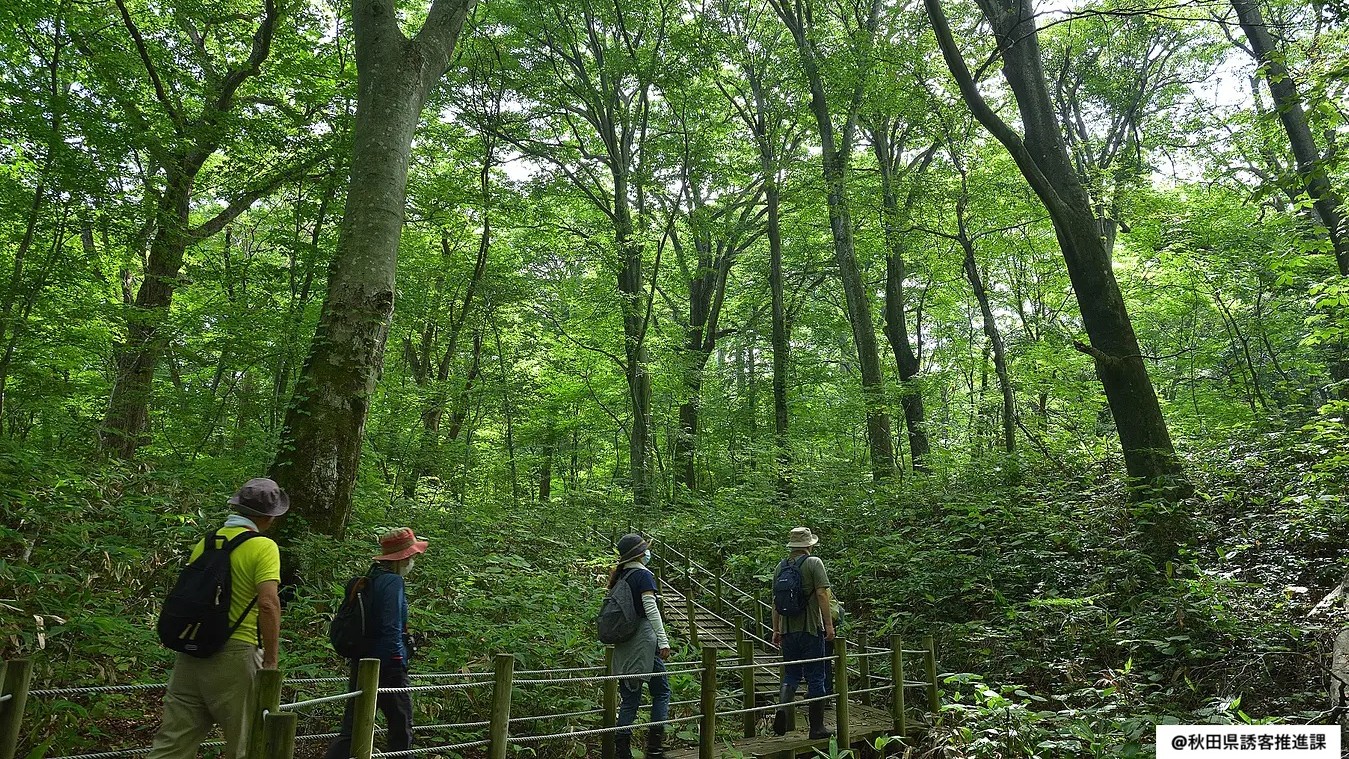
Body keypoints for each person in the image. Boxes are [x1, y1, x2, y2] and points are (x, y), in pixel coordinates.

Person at [147, 478, 287, 759]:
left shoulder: (207, 542)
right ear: (268, 517)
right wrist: (271, 660)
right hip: (236, 654)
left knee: (172, 745)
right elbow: (268, 603)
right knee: (246, 744)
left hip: (191, 653)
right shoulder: (263, 546)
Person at [324, 528, 429, 759]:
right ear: (402, 557)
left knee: (352, 729)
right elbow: (391, 626)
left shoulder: (372, 577)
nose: (413, 561)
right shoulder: (393, 582)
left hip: (363, 660)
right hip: (388, 665)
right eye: (412, 556)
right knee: (401, 728)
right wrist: (399, 660)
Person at [610, 533, 672, 759]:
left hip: (624, 645)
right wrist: (663, 640)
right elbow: (651, 609)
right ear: (639, 553)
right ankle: (654, 747)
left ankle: (622, 750)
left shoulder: (620, 577)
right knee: (662, 692)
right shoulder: (643, 575)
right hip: (644, 644)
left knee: (630, 699)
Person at [771, 527, 835, 740]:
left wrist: (776, 629)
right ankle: (816, 728)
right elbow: (822, 595)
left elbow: (775, 602)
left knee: (791, 674)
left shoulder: (780, 567)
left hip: (788, 631)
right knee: (816, 676)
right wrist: (829, 625)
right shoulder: (814, 563)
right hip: (811, 629)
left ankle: (782, 708)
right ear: (808, 545)